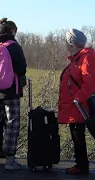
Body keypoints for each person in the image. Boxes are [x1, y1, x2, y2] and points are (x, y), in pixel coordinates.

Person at [0, 18, 27, 170]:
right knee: (12, 124)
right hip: (11, 92)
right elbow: (22, 69)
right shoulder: (14, 47)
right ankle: (10, 161)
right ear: (12, 31)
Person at [58, 28, 95, 175]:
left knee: (79, 135)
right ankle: (81, 165)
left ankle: (82, 166)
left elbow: (91, 82)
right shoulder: (77, 58)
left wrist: (78, 98)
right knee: (76, 134)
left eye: (67, 42)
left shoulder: (86, 57)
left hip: (82, 106)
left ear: (72, 43)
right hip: (76, 107)